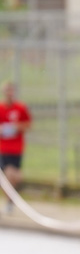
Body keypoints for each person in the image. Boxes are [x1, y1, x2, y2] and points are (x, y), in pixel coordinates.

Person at [0, 81, 31, 214]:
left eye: (11, 91)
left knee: (15, 177)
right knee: (7, 175)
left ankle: (10, 201)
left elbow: (28, 124)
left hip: (16, 148)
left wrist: (16, 127)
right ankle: (9, 202)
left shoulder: (20, 108)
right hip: (3, 148)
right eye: (7, 91)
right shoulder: (1, 108)